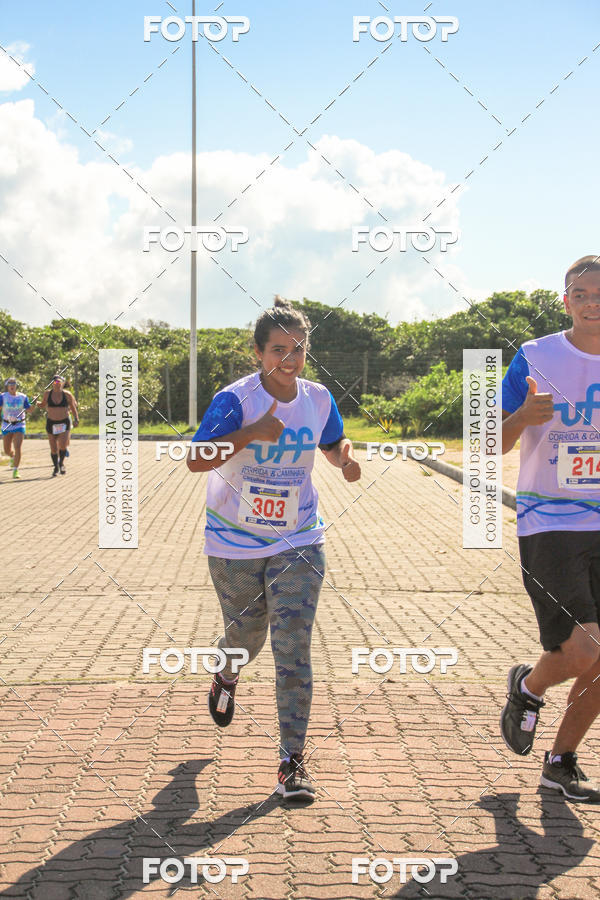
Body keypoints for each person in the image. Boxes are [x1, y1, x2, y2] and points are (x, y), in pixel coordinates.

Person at [187, 296, 361, 801]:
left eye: (298, 349)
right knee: (247, 634)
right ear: (259, 353)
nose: (289, 360)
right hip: (234, 542)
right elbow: (197, 460)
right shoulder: (234, 400)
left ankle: (292, 762)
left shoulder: (319, 397)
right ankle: (227, 671)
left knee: (292, 647)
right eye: (278, 350)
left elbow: (332, 443)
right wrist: (251, 434)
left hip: (300, 538)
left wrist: (344, 459)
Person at [500, 255, 600, 801]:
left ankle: (560, 763)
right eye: (580, 294)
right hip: (551, 520)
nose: (591, 304)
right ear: (565, 300)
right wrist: (522, 417)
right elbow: (492, 439)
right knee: (583, 651)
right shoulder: (536, 356)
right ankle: (529, 685)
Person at [38, 375, 79, 475]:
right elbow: (42, 405)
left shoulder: (67, 395)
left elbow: (74, 407)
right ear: (52, 383)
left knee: (63, 445)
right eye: (55, 382)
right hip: (51, 422)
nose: (57, 384)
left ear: (63, 383)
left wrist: (76, 419)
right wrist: (36, 402)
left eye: (59, 382)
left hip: (64, 422)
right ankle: (56, 466)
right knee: (53, 448)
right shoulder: (47, 394)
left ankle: (61, 464)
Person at [0, 377, 31, 479]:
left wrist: (33, 404)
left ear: (16, 386)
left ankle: (16, 470)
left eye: (14, 384)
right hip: (7, 425)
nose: (12, 386)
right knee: (7, 450)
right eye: (10, 384)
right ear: (7, 386)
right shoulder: (3, 397)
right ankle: (12, 457)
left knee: (17, 447)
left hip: (19, 425)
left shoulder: (22, 397)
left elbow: (30, 409)